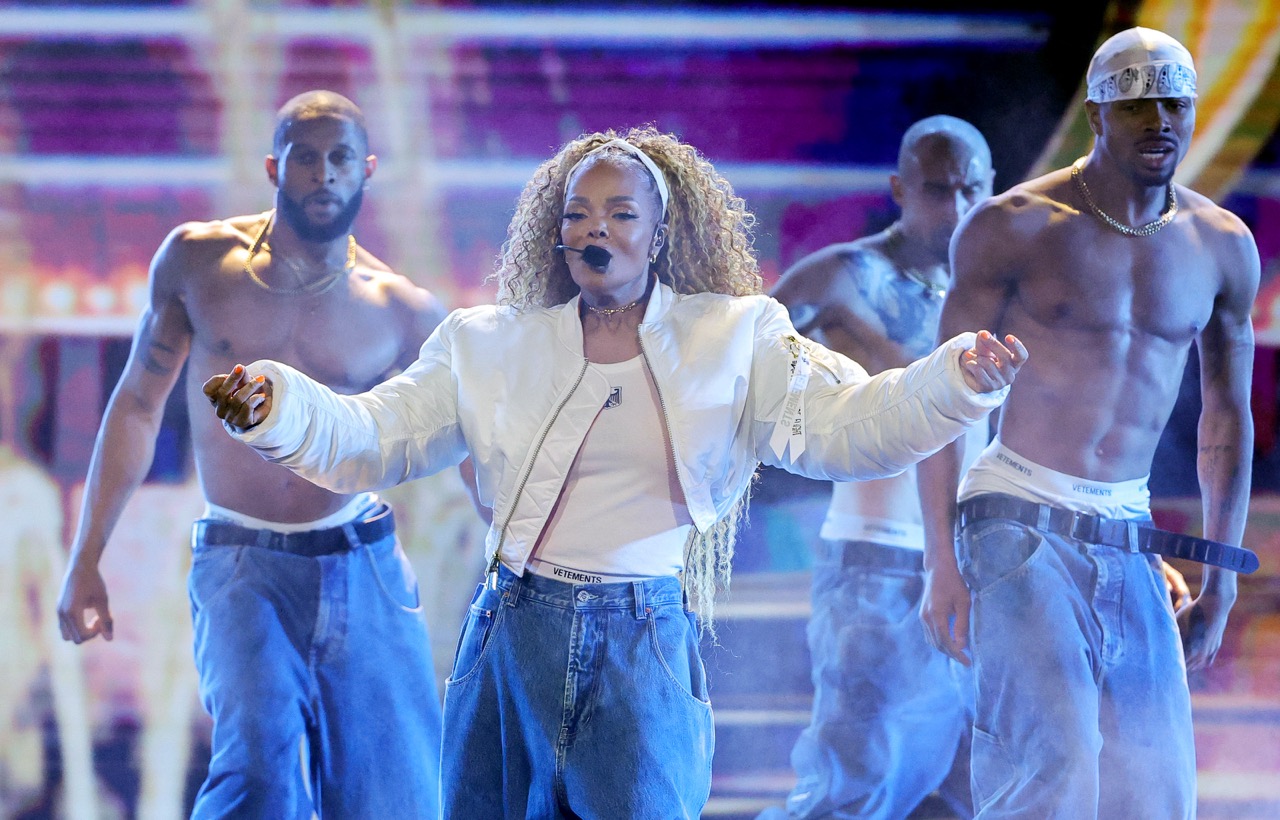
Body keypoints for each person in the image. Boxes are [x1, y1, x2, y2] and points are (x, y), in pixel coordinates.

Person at [205, 125, 1025, 818]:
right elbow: (372, 435)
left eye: (622, 213)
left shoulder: (732, 339)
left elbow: (849, 426)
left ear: (659, 235)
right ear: (557, 234)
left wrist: (955, 382)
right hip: (510, 635)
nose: (597, 228)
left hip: (641, 645)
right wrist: (278, 407)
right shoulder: (487, 344)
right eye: (578, 213)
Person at [56, 90, 448, 818]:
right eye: (305, 158)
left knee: (392, 798)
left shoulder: (403, 310)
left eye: (340, 159)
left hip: (360, 558)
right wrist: (86, 559)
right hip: (241, 560)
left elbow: (468, 443)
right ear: (274, 167)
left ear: (367, 169)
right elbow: (137, 404)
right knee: (260, 781)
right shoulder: (200, 263)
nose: (324, 174)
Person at [918, 28, 1259, 819]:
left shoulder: (1220, 245)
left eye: (1174, 102)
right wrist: (940, 561)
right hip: (1016, 516)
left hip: (1126, 529)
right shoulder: (1014, 226)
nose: (1159, 120)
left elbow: (1226, 417)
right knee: (1055, 766)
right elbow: (940, 402)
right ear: (1097, 115)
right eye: (1137, 104)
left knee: (1158, 791)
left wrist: (1220, 581)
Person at [763, 115, 995, 820]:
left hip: (982, 564)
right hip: (875, 561)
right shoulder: (844, 276)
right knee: (851, 787)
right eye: (938, 189)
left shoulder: (998, 285)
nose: (957, 207)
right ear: (900, 189)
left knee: (972, 790)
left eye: (972, 189)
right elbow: (738, 371)